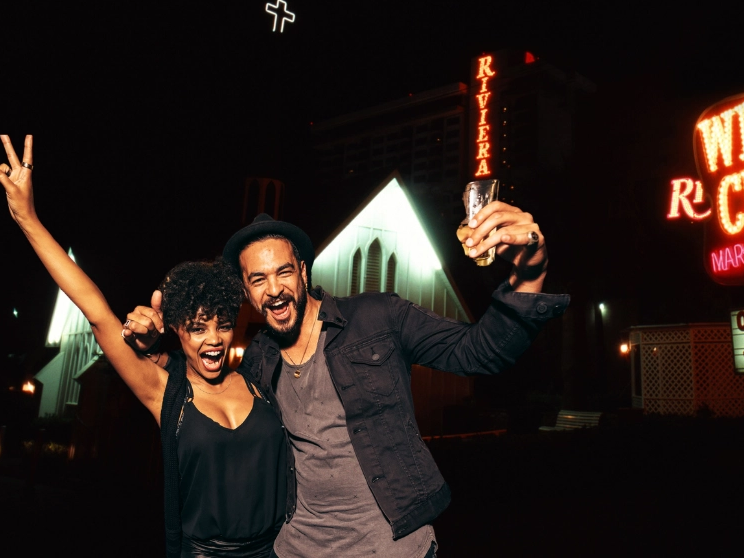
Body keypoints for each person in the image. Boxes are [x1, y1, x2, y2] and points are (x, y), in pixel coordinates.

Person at [124, 182, 569, 557]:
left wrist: (531, 273)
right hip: (296, 549)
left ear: (302, 269)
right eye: (258, 280)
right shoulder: (259, 357)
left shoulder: (378, 318)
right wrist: (152, 350)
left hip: (394, 548)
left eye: (283, 272)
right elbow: (201, 385)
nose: (274, 290)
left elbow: (481, 352)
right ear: (245, 290)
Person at [0, 135, 287, 558]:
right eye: (198, 328)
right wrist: (28, 218)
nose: (214, 339)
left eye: (222, 326)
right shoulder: (166, 393)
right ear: (178, 331)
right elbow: (96, 312)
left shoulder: (259, 382)